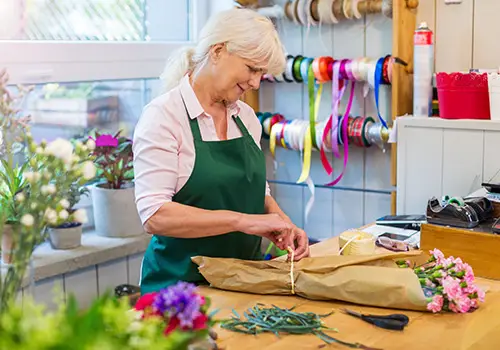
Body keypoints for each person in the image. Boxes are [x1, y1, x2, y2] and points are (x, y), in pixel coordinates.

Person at [133, 8, 310, 294]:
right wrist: (242, 222)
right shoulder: (164, 117)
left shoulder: (246, 117)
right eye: (252, 69)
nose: (255, 82)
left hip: (243, 281)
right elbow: (155, 215)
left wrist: (282, 224)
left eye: (261, 73)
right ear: (218, 51)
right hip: (180, 290)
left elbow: (256, 192)